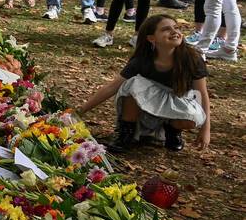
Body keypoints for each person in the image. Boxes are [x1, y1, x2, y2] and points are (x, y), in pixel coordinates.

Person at [77, 15, 209, 153]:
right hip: (148, 103)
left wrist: (206, 130)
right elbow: (112, 87)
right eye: (166, 29)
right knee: (131, 85)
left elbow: (202, 94)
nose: (174, 31)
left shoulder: (192, 58)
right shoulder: (142, 60)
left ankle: (172, 130)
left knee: (192, 117)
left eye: (176, 27)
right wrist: (80, 111)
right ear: (151, 38)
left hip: (177, 100)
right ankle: (126, 132)